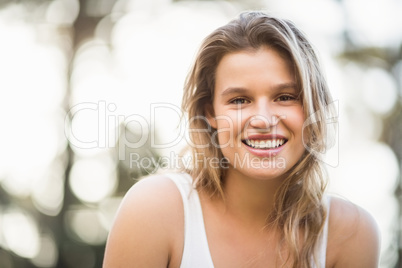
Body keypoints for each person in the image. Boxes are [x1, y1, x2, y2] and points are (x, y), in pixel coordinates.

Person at [103, 11, 380, 268]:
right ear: (209, 113)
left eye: (284, 97)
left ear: (312, 107)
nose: (263, 120)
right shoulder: (154, 210)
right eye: (239, 100)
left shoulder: (352, 234)